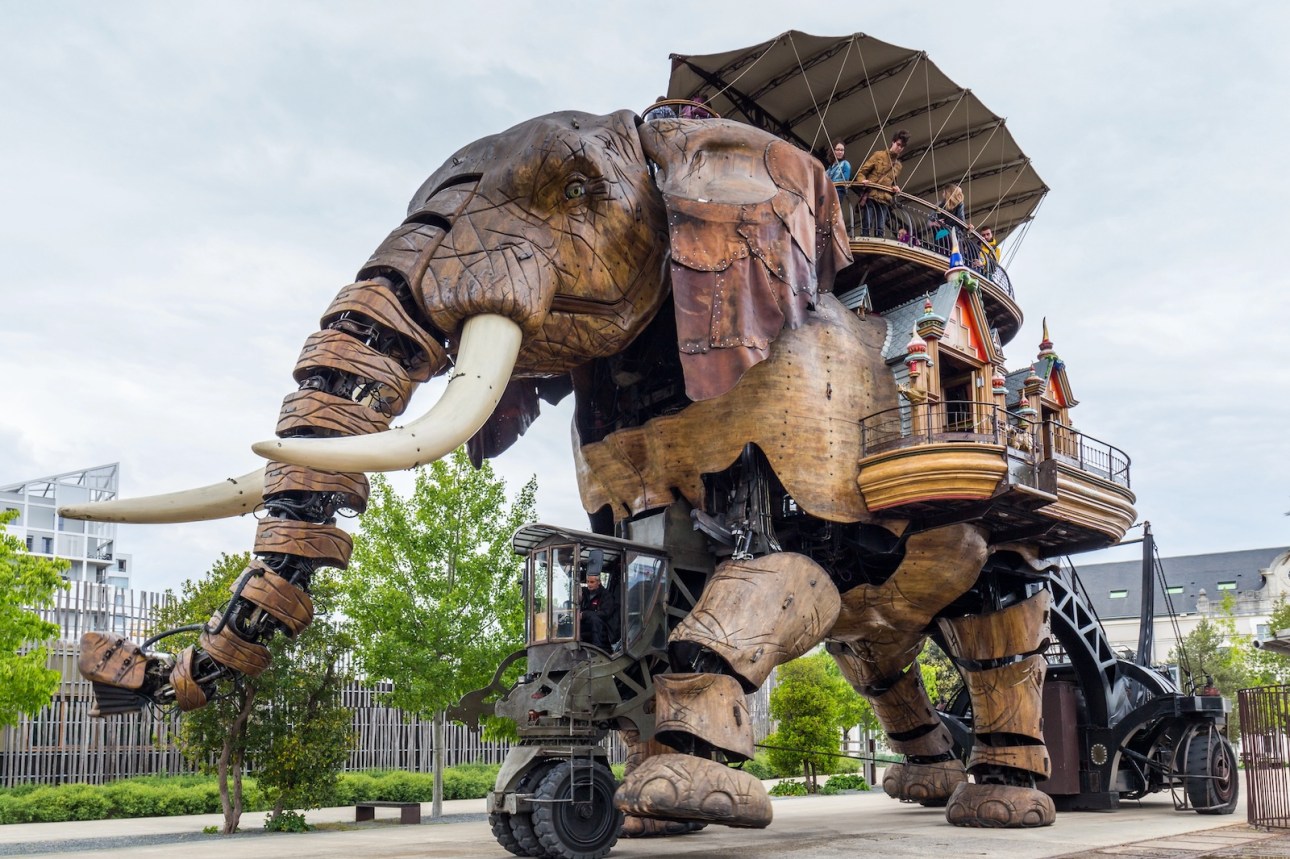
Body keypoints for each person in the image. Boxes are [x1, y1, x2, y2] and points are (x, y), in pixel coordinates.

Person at [855, 129, 910, 239]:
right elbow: (862, 172)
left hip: (885, 199)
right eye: (898, 144)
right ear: (893, 142)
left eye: (902, 146)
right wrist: (862, 181)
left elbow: (893, 182)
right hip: (872, 195)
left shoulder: (898, 165)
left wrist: (895, 189)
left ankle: (876, 249)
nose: (899, 148)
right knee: (867, 223)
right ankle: (865, 242)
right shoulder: (878, 155)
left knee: (880, 228)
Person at [579, 572, 619, 649]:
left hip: (604, 629)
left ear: (599, 582)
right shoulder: (585, 594)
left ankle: (597, 647)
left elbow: (605, 614)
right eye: (588, 582)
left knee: (595, 619)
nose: (589, 584)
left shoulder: (607, 596)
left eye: (592, 582)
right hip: (587, 626)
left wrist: (585, 614)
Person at [928, 184, 966, 255]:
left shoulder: (941, 206)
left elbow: (935, 220)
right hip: (952, 234)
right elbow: (961, 221)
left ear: (948, 193)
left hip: (943, 234)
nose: (942, 194)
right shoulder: (959, 205)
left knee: (941, 251)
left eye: (944, 192)